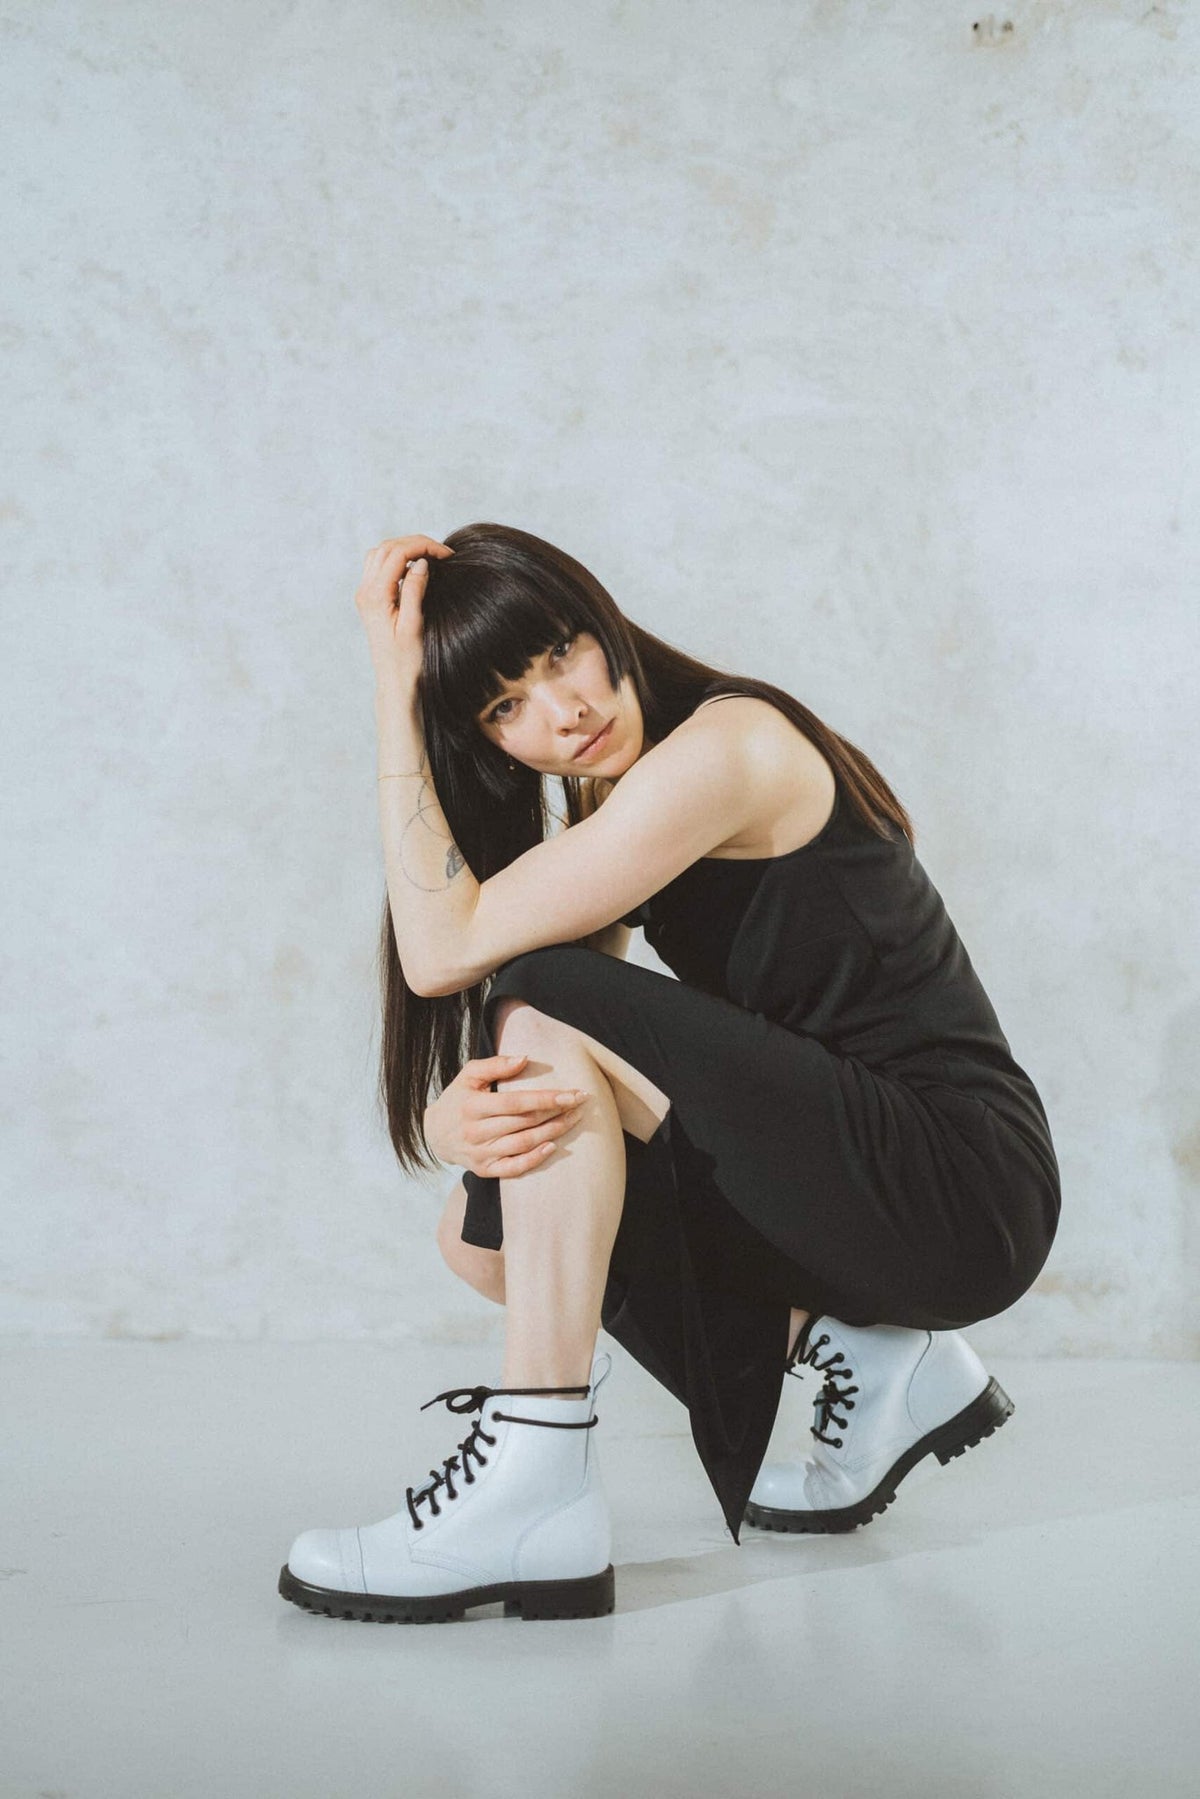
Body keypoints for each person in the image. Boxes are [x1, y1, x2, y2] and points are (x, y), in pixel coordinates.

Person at [278, 522, 1061, 1626]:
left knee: (538, 994)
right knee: (485, 1234)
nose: (561, 710)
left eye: (561, 653)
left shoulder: (726, 748)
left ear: (605, 623)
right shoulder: (612, 788)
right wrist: (472, 1120)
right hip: (869, 1180)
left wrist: (395, 694)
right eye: (506, 707)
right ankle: (874, 1359)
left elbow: (448, 952)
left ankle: (534, 1478)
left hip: (961, 1178)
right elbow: (565, 1053)